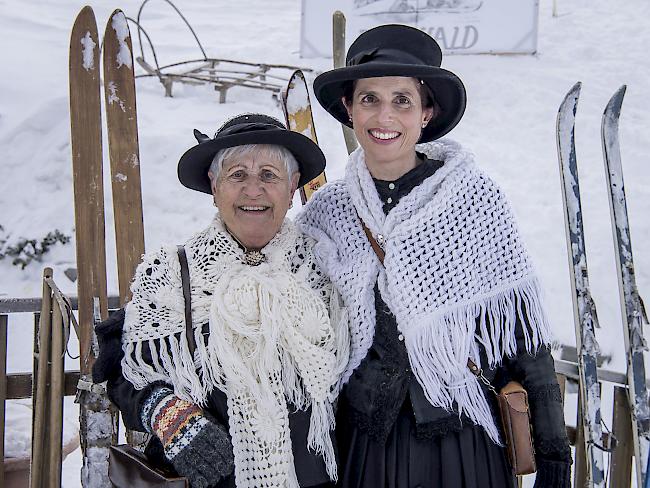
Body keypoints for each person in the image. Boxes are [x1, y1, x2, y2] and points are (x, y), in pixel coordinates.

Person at [297, 25, 571, 488]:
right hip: (366, 447)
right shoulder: (327, 213)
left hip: (461, 443)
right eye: (369, 99)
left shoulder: (473, 200)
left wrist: (554, 461)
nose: (385, 116)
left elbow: (520, 333)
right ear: (349, 108)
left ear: (427, 112)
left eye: (402, 99)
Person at [93, 114, 349, 488]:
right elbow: (120, 370)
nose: (253, 190)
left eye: (268, 175)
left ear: (292, 186)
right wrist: (167, 414)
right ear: (215, 187)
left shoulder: (328, 269)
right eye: (237, 175)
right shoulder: (171, 273)